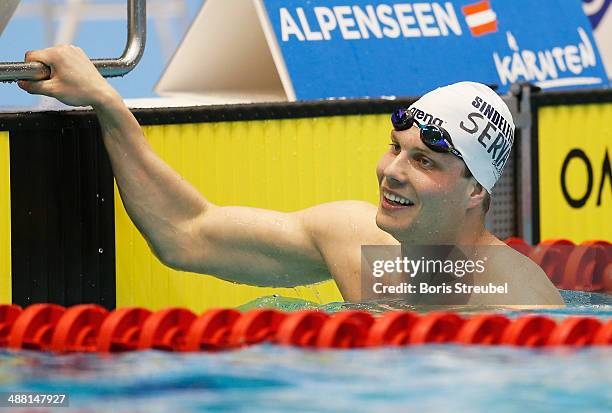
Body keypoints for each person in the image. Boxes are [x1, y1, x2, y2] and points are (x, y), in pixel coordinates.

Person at [18, 45, 564, 307]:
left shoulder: (513, 300)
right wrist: (106, 101)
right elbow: (188, 233)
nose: (391, 173)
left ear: (476, 192)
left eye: (424, 161)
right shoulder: (354, 241)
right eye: (395, 149)